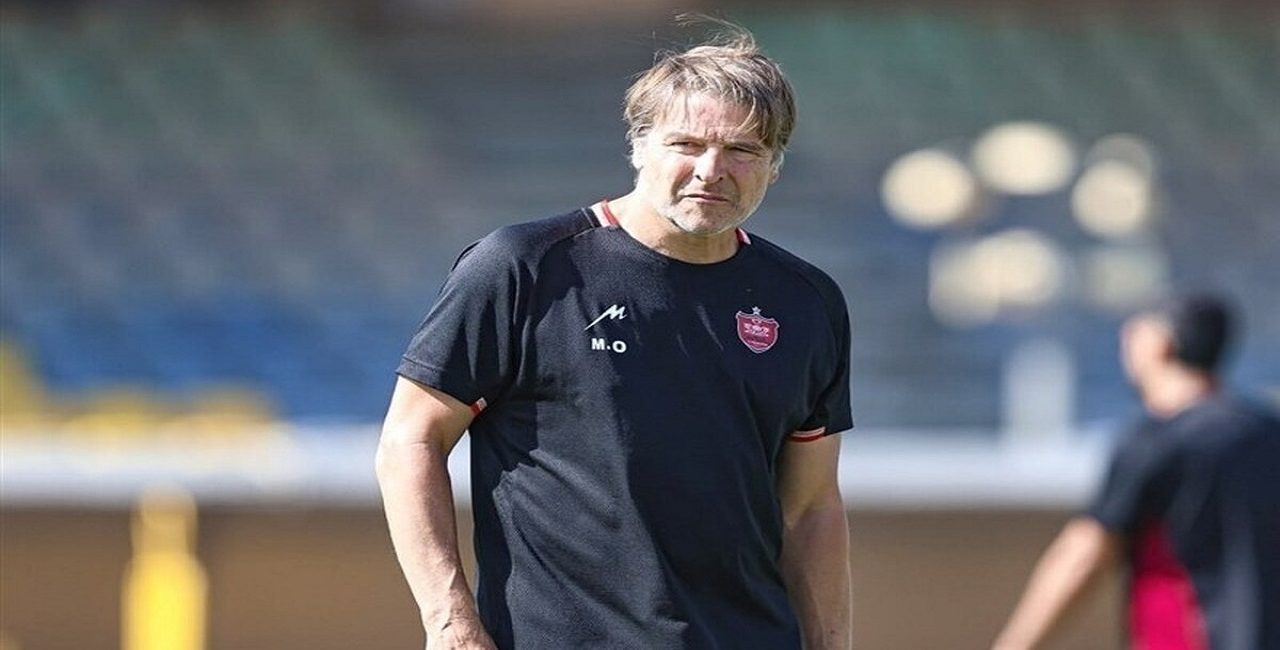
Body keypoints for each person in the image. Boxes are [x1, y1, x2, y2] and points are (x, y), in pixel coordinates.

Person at [375, 20, 854, 650]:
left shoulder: (806, 301)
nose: (712, 170)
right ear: (639, 147)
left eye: (743, 150)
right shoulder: (525, 268)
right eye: (687, 144)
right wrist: (449, 623)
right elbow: (411, 440)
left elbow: (812, 508)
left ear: (775, 166)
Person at [993, 293, 1280, 650]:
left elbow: (1084, 555)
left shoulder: (1158, 440)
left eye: (1133, 335)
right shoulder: (1267, 432)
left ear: (1162, 345)